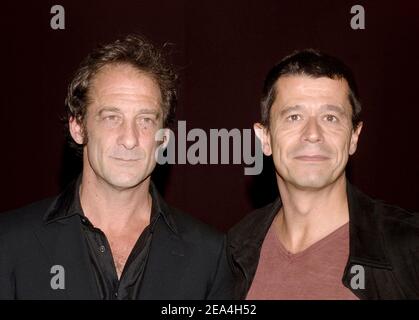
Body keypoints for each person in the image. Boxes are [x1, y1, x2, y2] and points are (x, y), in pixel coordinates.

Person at [0, 34, 233, 300]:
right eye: (112, 117)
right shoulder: (9, 243)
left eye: (145, 120)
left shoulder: (211, 256)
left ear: (164, 139)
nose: (130, 139)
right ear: (78, 127)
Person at [228, 49, 419, 299]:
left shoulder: (409, 247)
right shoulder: (237, 246)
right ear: (265, 138)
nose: (313, 133)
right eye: (294, 117)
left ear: (353, 137)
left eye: (330, 118)